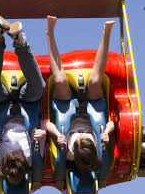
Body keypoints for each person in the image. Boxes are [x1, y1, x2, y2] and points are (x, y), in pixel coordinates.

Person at [0, 16, 46, 190]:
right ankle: (20, 41)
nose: (17, 153)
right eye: (20, 157)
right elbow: (43, 123)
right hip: (27, 105)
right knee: (39, 87)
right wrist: (42, 133)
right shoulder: (32, 158)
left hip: (0, 107)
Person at [46, 15, 115, 173]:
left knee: (60, 80)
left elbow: (47, 124)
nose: (84, 137)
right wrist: (106, 133)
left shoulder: (69, 153)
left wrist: (57, 135)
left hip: (67, 110)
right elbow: (112, 124)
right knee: (95, 81)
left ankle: (49, 33)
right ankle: (107, 33)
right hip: (92, 108)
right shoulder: (97, 151)